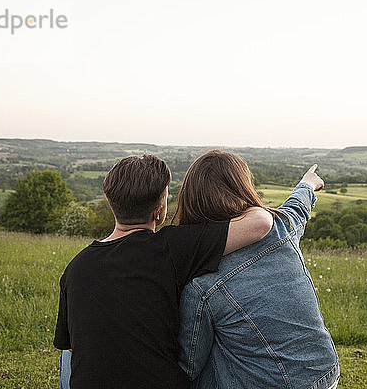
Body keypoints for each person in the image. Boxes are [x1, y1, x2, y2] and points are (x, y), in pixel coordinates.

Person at [54, 154, 273, 389]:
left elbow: (71, 347)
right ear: (158, 212)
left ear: (112, 203)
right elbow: (261, 222)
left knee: (68, 354)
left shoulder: (76, 267)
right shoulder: (171, 247)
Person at [176, 150, 340, 389]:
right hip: (324, 373)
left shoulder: (201, 283)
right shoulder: (282, 229)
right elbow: (297, 208)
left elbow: (189, 364)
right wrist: (307, 184)